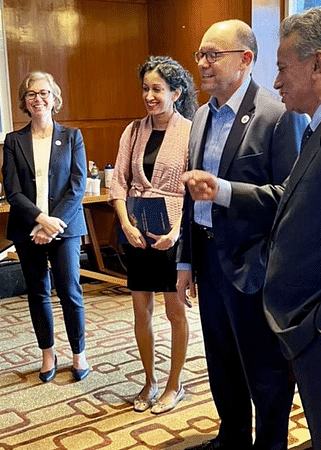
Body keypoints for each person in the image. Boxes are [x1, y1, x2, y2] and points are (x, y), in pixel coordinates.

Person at [184, 8, 321, 449]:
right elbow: (288, 203)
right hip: (317, 327)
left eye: (282, 68)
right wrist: (222, 191)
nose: (276, 81)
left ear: (317, 64)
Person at [176, 20, 307, 450]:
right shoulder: (199, 116)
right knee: (221, 361)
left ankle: (270, 445)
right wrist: (184, 260)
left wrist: (226, 192)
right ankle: (231, 437)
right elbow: (189, 196)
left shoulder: (277, 115)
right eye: (200, 55)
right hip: (209, 262)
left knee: (264, 371)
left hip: (254, 266)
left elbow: (290, 198)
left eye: (213, 54)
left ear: (245, 59)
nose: (202, 64)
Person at [108, 56, 197, 414]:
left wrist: (178, 231)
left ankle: (174, 384)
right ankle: (149, 380)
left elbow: (194, 189)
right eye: (145, 88)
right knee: (140, 311)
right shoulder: (133, 130)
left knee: (176, 313)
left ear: (176, 92)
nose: (149, 95)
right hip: (137, 230)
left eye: (157, 89)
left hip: (173, 231)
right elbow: (119, 182)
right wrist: (126, 224)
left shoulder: (191, 130)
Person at [2, 71, 91, 383]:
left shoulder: (72, 137)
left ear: (55, 98)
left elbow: (77, 187)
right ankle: (48, 353)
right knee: (38, 291)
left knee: (70, 290)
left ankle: (79, 353)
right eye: (31, 94)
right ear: (24, 102)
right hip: (28, 227)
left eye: (44, 93)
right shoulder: (14, 141)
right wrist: (41, 220)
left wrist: (53, 225)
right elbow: (12, 191)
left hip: (65, 227)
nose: (38, 99)